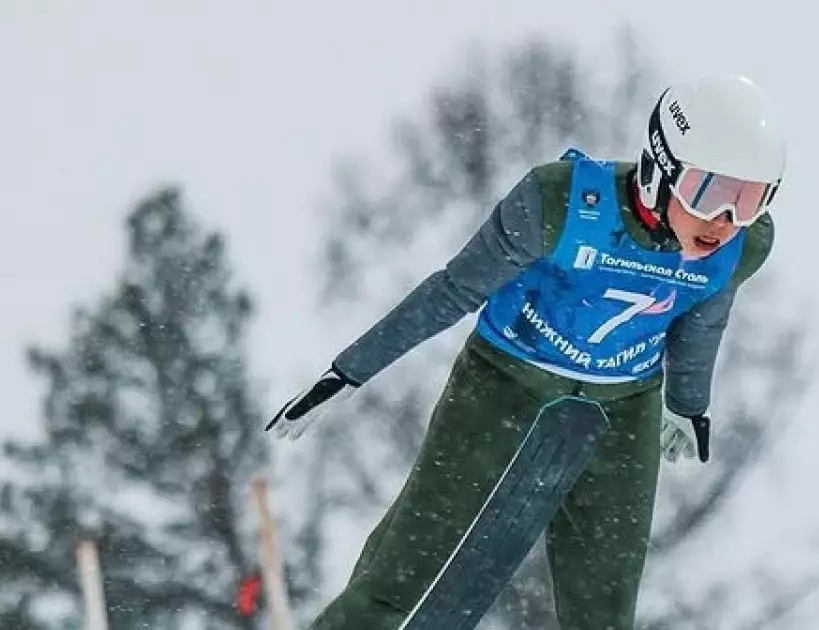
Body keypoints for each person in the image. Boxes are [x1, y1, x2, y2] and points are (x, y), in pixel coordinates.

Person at [265, 72, 787, 630]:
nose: (726, 222)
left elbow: (703, 319)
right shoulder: (559, 204)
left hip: (621, 406)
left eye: (750, 200)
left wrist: (688, 402)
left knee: (605, 611)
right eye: (709, 193)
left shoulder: (741, 247)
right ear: (661, 169)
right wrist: (349, 372)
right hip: (506, 384)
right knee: (402, 575)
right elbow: (453, 290)